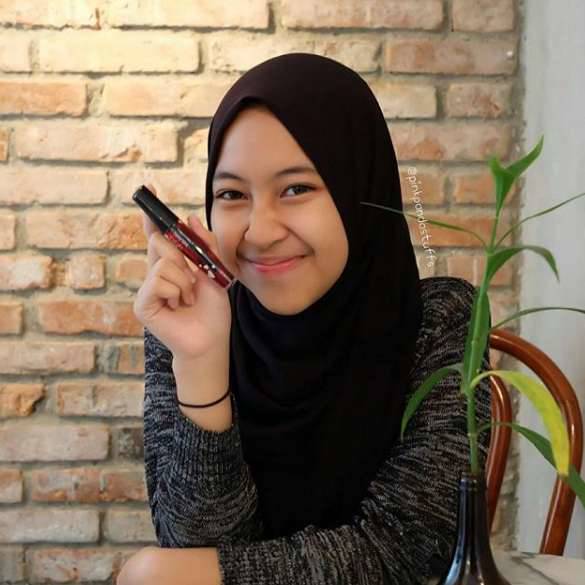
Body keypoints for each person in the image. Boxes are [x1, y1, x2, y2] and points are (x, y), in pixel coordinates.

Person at [122, 53, 492, 585]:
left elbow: (409, 551)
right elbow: (191, 542)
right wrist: (201, 363)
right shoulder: (189, 323)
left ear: (359, 190)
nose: (260, 231)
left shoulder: (442, 322)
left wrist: (161, 572)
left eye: (296, 189)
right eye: (232, 195)